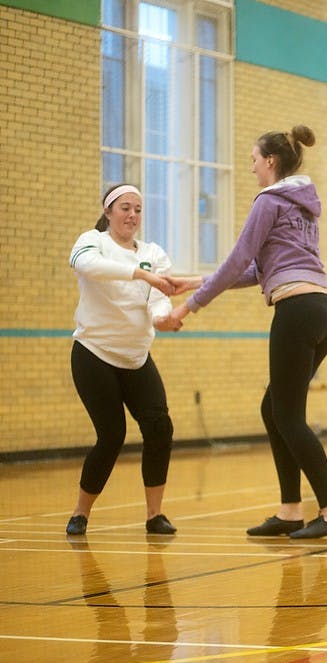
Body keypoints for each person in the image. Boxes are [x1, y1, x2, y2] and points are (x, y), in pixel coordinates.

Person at [166, 125, 327, 540]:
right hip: (323, 310)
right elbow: (257, 269)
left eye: (252, 160)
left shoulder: (269, 201)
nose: (250, 169)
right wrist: (195, 281)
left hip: (298, 311)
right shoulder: (302, 205)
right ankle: (290, 511)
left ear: (270, 161)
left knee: (287, 415)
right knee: (274, 410)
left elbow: (237, 259)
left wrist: (188, 307)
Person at [65, 183, 181, 536]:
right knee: (112, 435)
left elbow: (159, 299)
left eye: (138, 210)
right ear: (108, 211)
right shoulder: (92, 242)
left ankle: (154, 515)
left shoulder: (154, 252)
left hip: (136, 358)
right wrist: (141, 273)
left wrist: (164, 317)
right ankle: (80, 513)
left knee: (160, 428)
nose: (132, 215)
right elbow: (86, 265)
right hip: (94, 354)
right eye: (125, 208)